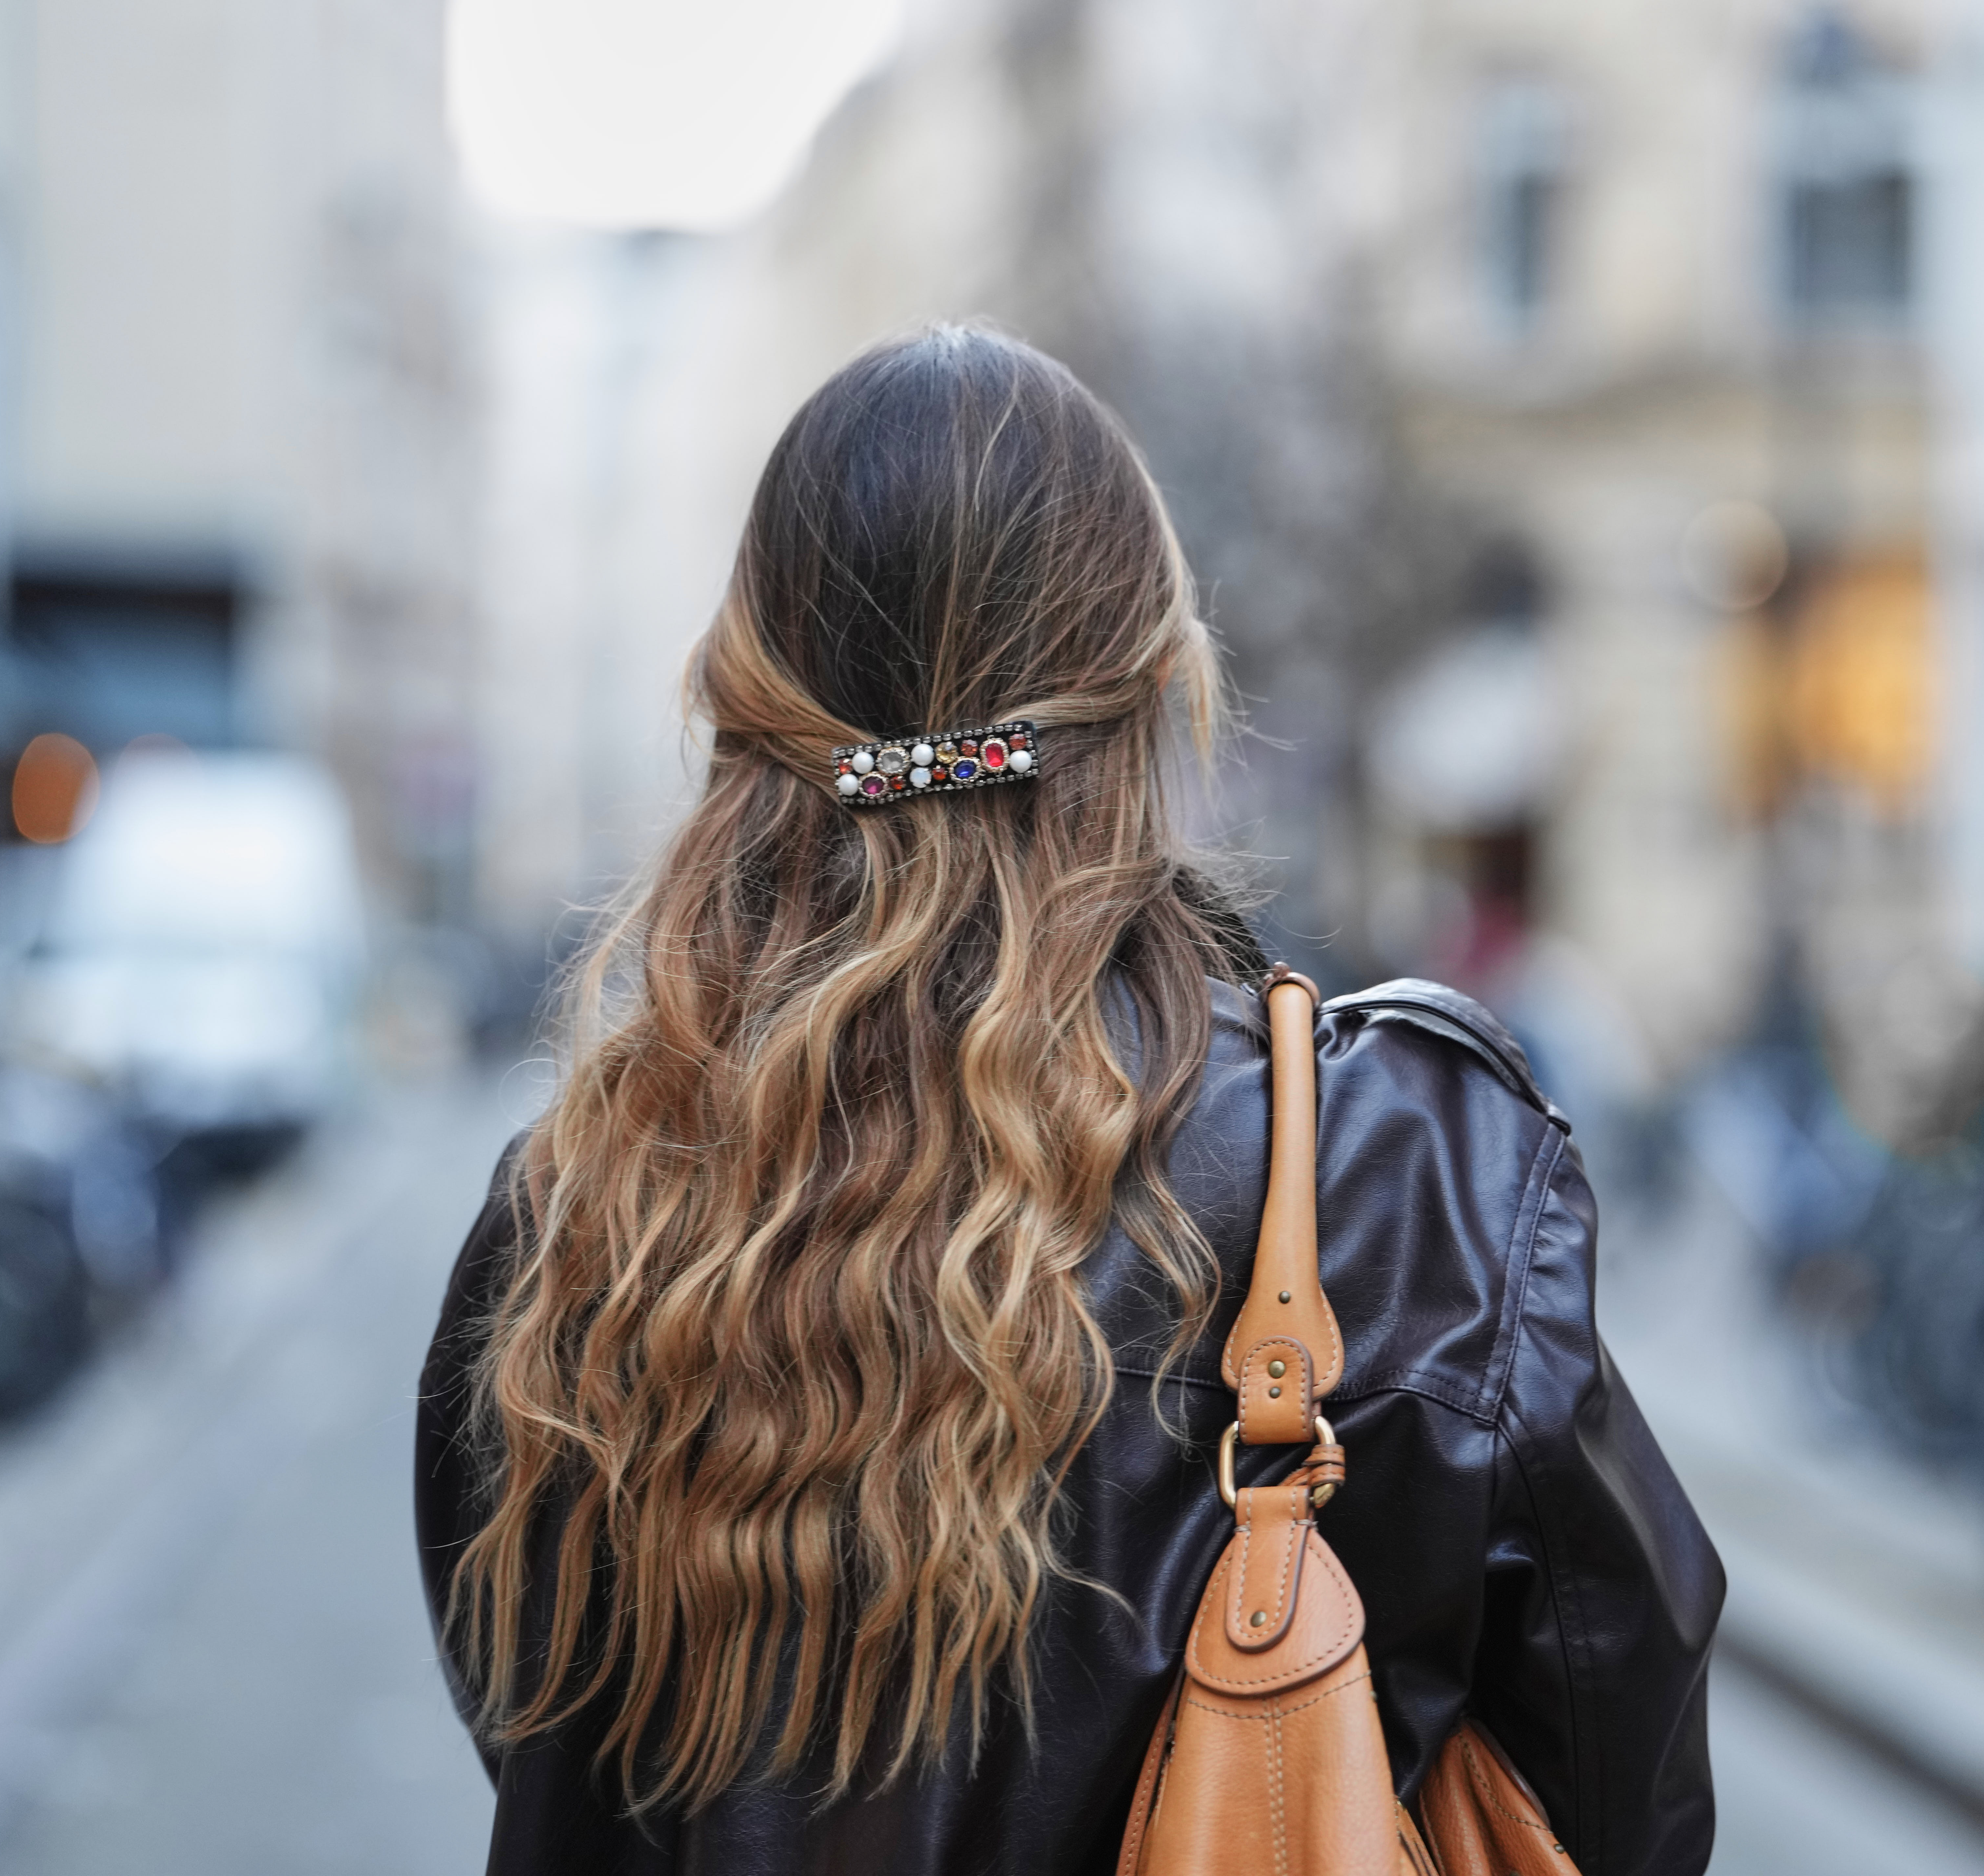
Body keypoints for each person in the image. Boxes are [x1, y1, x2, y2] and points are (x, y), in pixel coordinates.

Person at [416, 324, 1722, 1876]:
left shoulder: (583, 1212)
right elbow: (1609, 1775)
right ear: (1162, 687)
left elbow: (528, 1718)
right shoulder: (1401, 1180)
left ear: (745, 703)